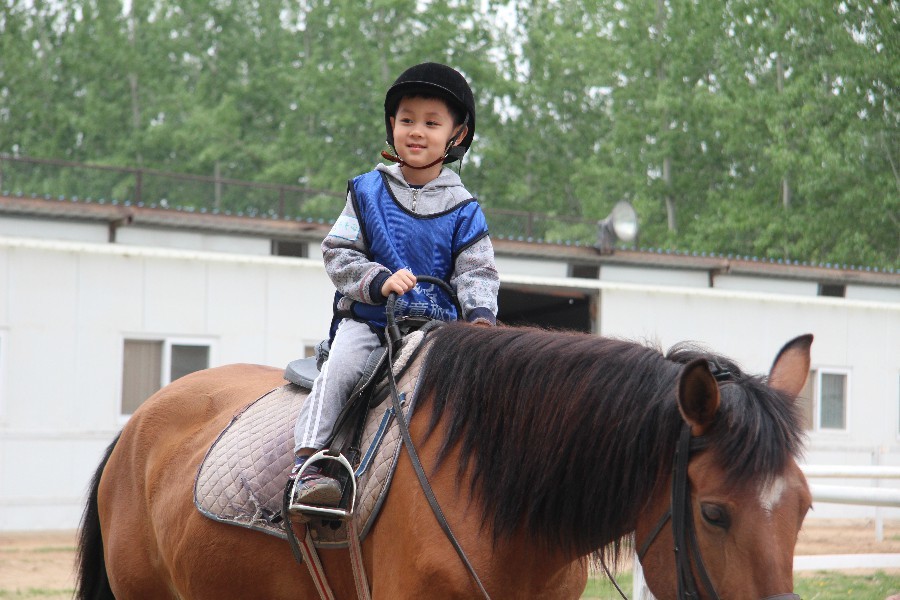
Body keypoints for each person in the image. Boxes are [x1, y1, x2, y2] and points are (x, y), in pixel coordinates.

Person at [290, 62, 500, 510]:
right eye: (407, 120)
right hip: (368, 323)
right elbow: (338, 252)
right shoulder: (366, 192)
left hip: (436, 335)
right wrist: (379, 281)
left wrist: (481, 318)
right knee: (341, 368)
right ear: (392, 126)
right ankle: (309, 465)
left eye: (431, 122)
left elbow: (477, 273)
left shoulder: (466, 210)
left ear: (456, 135)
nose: (417, 131)